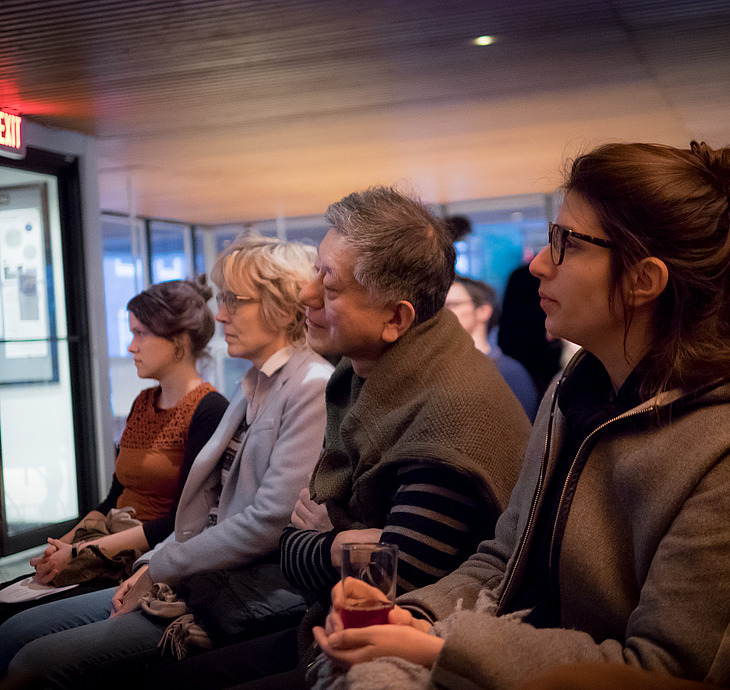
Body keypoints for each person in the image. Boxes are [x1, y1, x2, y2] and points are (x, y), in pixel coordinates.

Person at [311, 141, 730, 689]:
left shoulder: (716, 449)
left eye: (567, 244)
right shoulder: (572, 391)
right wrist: (413, 617)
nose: (537, 263)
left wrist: (438, 646)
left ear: (643, 281)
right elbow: (502, 560)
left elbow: (664, 671)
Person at [142, 185, 532, 690]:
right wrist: (337, 541)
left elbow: (384, 586)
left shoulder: (449, 417)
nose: (306, 295)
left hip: (398, 657)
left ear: (396, 318)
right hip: (326, 622)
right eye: (316, 274)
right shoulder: (360, 374)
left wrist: (328, 538)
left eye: (329, 285)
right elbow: (294, 541)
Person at [0, 235, 334, 688]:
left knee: (34, 661)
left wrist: (158, 566)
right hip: (194, 574)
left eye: (234, 301)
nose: (221, 315)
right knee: (15, 632)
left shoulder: (310, 384)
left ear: (281, 305)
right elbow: (201, 511)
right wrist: (150, 563)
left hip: (231, 590)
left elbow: (268, 521)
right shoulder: (255, 383)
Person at [0, 279, 228, 617]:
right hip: (106, 541)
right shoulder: (143, 402)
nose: (131, 347)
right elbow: (114, 498)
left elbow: (177, 522)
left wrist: (80, 551)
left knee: (14, 619)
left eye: (140, 334)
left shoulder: (209, 410)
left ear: (178, 341)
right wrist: (62, 545)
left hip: (140, 559)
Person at [446, 275, 539, 420]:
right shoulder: (442, 369)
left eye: (451, 305)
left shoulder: (508, 372)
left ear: (483, 311)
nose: (443, 314)